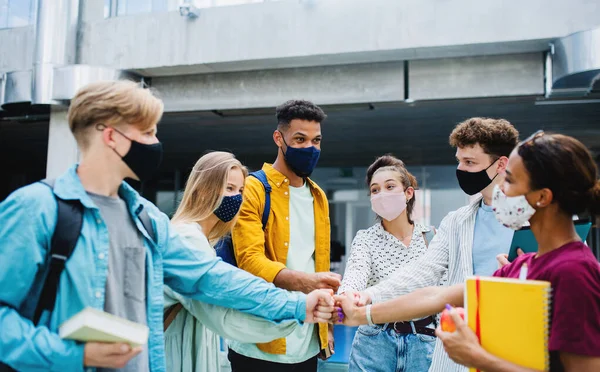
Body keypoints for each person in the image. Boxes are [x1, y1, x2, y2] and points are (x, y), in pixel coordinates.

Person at [0, 81, 335, 372]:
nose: (155, 142)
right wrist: (75, 355)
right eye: (147, 132)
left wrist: (296, 305)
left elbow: (211, 277)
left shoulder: (146, 219)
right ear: (112, 137)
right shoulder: (37, 208)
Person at [336, 131, 600, 372]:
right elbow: (435, 294)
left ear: (542, 197)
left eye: (510, 179)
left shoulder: (574, 271)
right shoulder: (524, 265)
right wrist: (362, 312)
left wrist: (477, 357)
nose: (502, 189)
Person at [355, 118, 520, 372]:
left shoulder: (538, 216)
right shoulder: (456, 222)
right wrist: (368, 295)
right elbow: (423, 272)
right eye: (459, 161)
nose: (461, 169)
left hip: (516, 341)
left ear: (501, 164)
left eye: (470, 162)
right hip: (462, 348)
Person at [164, 151, 303, 372]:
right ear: (202, 190)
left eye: (240, 191)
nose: (237, 198)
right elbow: (224, 308)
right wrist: (297, 309)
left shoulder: (202, 239)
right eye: (229, 188)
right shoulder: (186, 238)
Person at [229, 100, 340, 372]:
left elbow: (319, 262)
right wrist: (308, 283)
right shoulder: (253, 189)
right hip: (258, 340)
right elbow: (250, 261)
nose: (309, 148)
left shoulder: (318, 196)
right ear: (279, 138)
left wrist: (327, 330)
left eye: (316, 141)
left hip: (307, 342)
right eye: (299, 139)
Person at [338, 155, 439, 372]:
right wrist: (347, 296)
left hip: (424, 344)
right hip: (374, 342)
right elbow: (355, 274)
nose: (381, 194)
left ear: (408, 193)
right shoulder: (365, 239)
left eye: (390, 186)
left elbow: (443, 294)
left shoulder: (431, 237)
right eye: (375, 190)